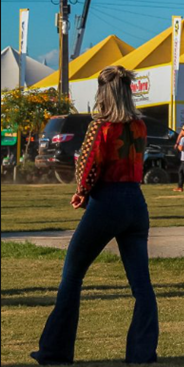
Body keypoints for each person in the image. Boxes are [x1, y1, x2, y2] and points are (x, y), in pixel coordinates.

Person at [31, 66, 158, 365]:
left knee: (72, 276)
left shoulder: (100, 127)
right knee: (142, 285)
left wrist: (82, 191)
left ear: (103, 93)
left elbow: (88, 165)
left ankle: (55, 350)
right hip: (136, 202)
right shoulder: (140, 126)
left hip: (107, 201)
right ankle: (142, 353)